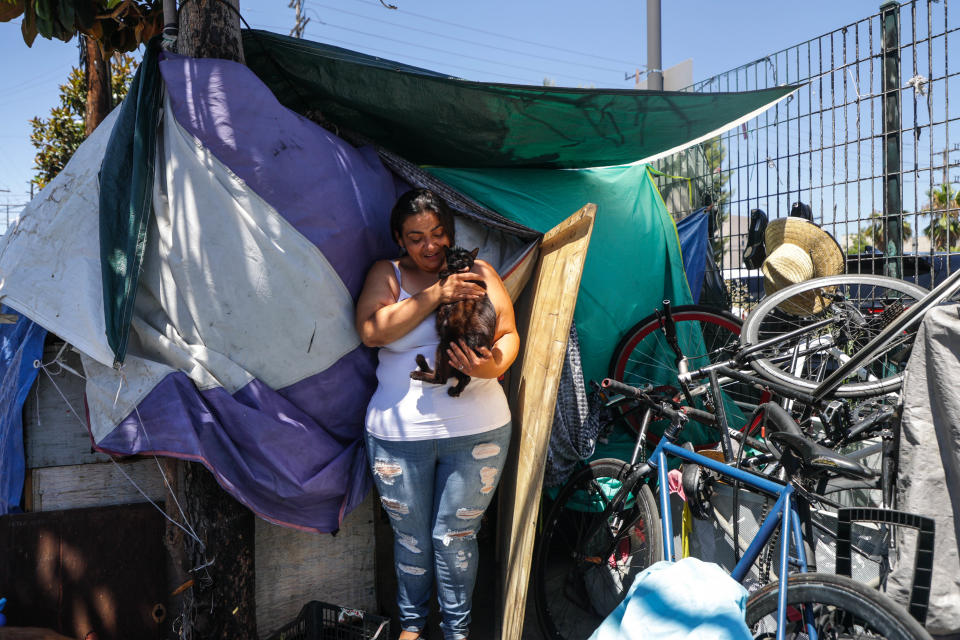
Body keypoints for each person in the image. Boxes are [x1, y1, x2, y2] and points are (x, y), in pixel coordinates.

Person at [355, 188, 519, 640]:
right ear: (399, 240)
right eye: (415, 237)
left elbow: (508, 334)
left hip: (479, 431)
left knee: (454, 540)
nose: (429, 246)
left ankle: (457, 633)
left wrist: (491, 365)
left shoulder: (480, 271)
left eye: (437, 233)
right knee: (411, 540)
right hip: (398, 436)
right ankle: (411, 626)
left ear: (450, 231)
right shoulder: (385, 274)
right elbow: (371, 330)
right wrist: (436, 294)